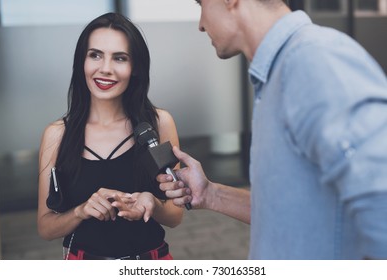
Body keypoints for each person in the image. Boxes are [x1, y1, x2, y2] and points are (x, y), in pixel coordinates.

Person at [158, 0, 387, 259]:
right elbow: (290, 211)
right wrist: (210, 194)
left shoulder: (312, 59)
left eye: (201, 4)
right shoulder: (278, 74)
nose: (201, 24)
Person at [37, 12, 183, 260]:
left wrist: (153, 203)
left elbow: (175, 216)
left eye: (120, 58)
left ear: (135, 68)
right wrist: (81, 211)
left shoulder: (158, 124)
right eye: (95, 55)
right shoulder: (57, 135)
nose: (105, 69)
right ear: (81, 61)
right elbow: (45, 227)